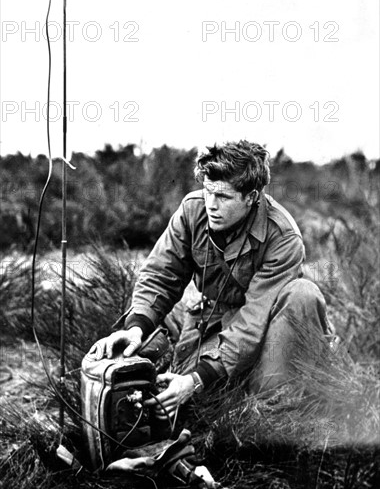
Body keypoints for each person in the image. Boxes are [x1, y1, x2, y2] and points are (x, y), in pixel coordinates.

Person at [92, 140, 332, 420]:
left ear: (251, 196)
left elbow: (253, 320)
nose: (211, 205)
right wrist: (136, 327)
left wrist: (198, 378)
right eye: (207, 192)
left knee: (301, 298)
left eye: (223, 197)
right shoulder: (192, 211)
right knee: (180, 400)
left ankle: (280, 403)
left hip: (267, 324)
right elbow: (160, 275)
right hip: (211, 320)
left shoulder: (283, 237)